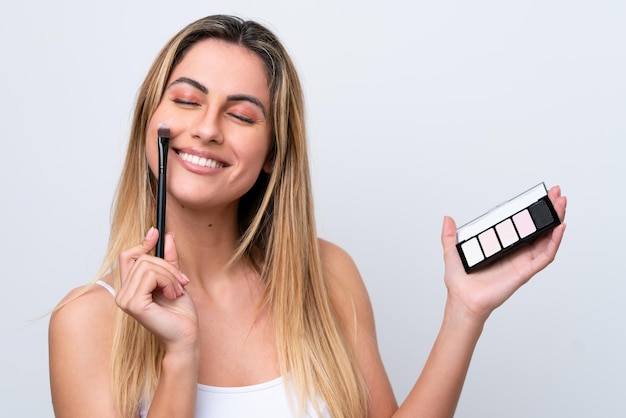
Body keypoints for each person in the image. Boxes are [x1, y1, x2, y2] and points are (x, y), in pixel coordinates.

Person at [48, 14, 567, 418]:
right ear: (150, 120)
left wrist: (464, 313)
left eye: (241, 114)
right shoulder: (85, 323)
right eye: (187, 100)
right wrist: (180, 355)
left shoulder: (328, 274)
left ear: (273, 151)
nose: (206, 129)